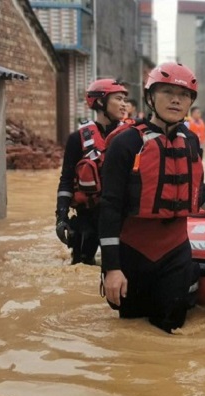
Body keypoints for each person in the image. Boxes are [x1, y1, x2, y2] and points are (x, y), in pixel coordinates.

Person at [98, 62, 205, 333]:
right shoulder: (125, 144)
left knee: (170, 330)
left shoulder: (191, 141)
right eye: (167, 92)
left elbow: (196, 189)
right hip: (133, 252)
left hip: (175, 252)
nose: (175, 99)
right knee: (131, 333)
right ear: (150, 97)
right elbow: (109, 206)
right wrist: (112, 268)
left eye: (183, 95)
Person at [55, 78, 128, 265]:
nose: (124, 104)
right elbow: (66, 180)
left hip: (120, 217)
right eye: (118, 99)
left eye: (124, 100)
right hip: (88, 217)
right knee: (81, 265)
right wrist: (61, 217)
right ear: (101, 101)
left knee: (121, 267)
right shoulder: (76, 139)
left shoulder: (130, 137)